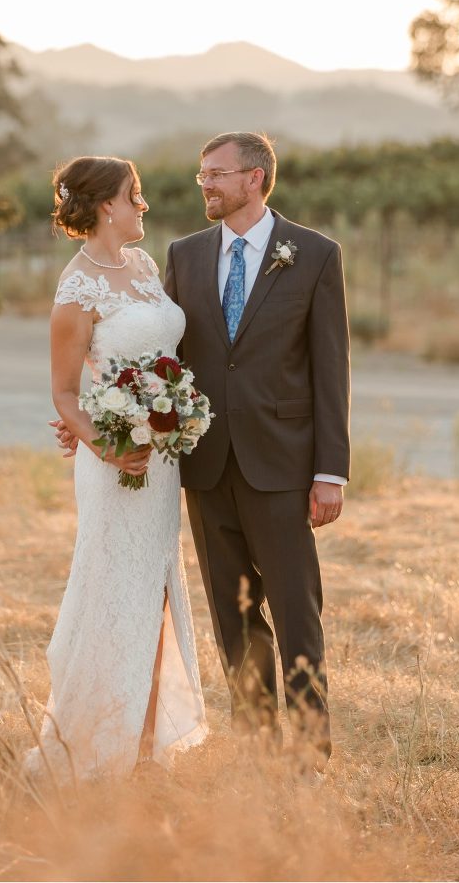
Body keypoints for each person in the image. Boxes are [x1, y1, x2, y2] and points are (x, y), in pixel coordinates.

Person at [163, 132, 350, 769]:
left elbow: (330, 369)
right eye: (202, 174)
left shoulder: (316, 255)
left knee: (297, 608)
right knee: (232, 610)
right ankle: (256, 747)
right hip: (207, 462)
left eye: (216, 174)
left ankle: (309, 749)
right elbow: (167, 359)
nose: (205, 184)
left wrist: (330, 471)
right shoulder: (184, 254)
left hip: (284, 464)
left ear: (255, 178)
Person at [24, 155, 208, 784]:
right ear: (107, 205)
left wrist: (171, 411)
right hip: (116, 463)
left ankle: (145, 745)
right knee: (114, 595)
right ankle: (97, 744)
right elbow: (64, 392)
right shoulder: (77, 288)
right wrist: (104, 442)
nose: (143, 205)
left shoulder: (145, 266)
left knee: (156, 595)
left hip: (160, 462)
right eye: (135, 195)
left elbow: (156, 359)